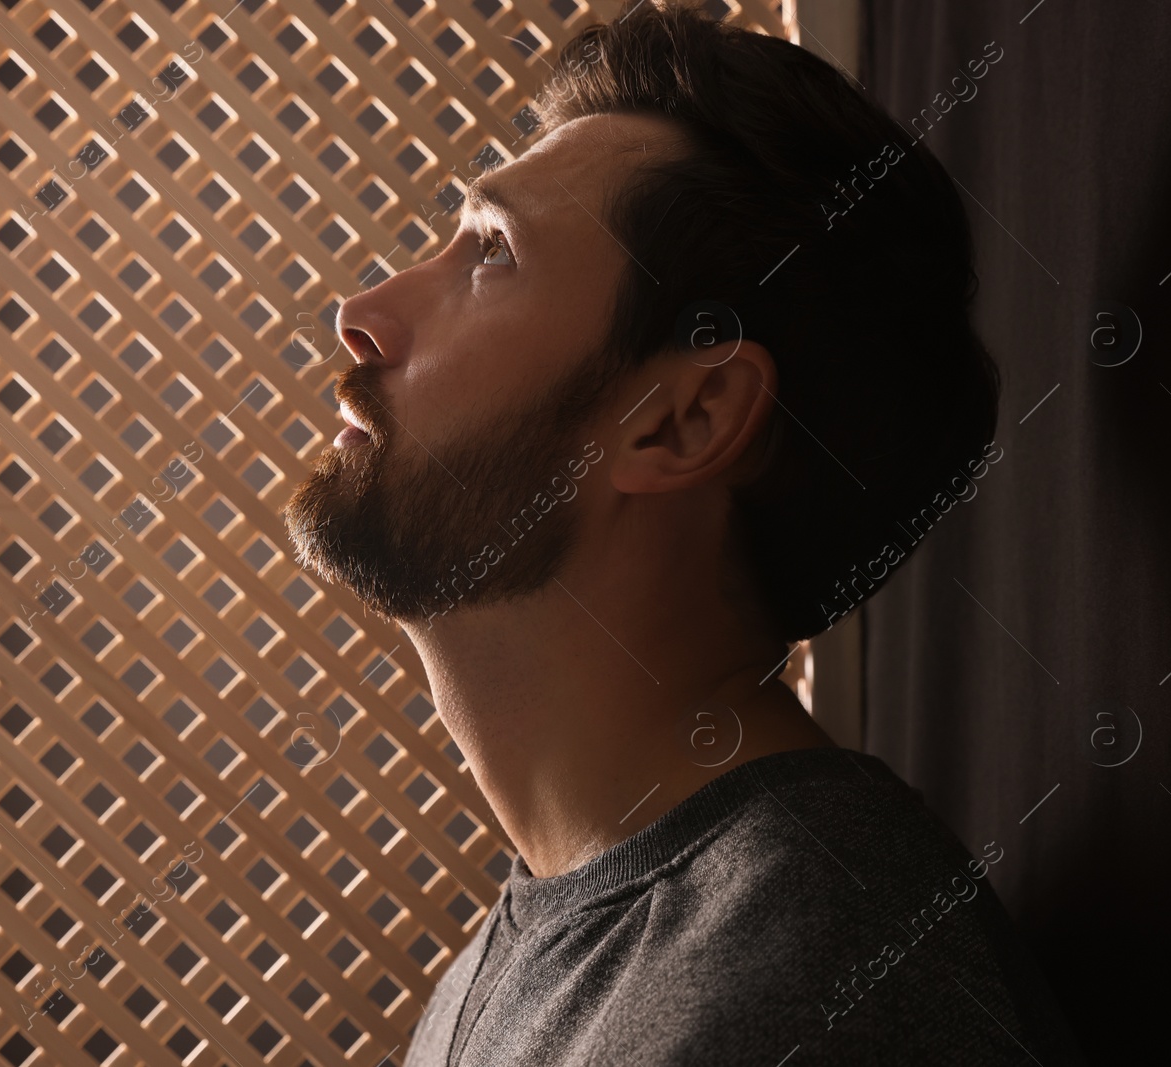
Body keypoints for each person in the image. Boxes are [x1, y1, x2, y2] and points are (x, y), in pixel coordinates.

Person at [282, 2, 1085, 1062]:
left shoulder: (806, 988)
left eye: (489, 254)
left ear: (681, 418)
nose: (365, 310)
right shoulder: (540, 946)